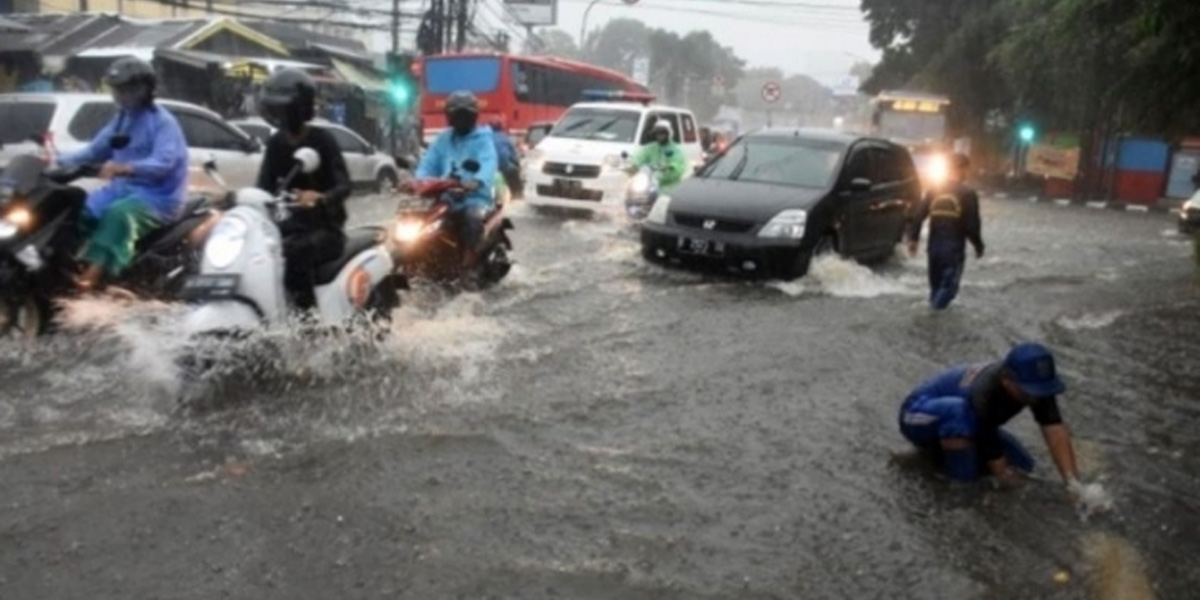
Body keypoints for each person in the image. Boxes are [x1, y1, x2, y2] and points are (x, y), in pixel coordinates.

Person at [898, 343, 1101, 508]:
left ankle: (949, 453)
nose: (1034, 399)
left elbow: (1055, 430)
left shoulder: (1035, 390)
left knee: (1024, 467)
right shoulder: (984, 392)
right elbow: (989, 443)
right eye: (1028, 393)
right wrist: (1002, 476)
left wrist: (1072, 485)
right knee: (959, 414)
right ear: (1007, 380)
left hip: (974, 424)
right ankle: (959, 488)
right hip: (918, 415)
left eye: (1040, 392)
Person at [56, 57, 189, 292]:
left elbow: (164, 162)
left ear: (145, 89)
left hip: (158, 196)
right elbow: (93, 151)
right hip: (121, 190)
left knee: (117, 215)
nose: (119, 94)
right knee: (79, 212)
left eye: (126, 88)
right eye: (116, 89)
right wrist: (55, 162)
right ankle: (65, 266)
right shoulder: (121, 119)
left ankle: (91, 279)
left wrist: (128, 168)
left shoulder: (163, 122)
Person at [255, 68, 351, 310]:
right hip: (288, 226)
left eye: (284, 108)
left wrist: (321, 198)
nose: (280, 115)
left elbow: (344, 185)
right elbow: (263, 186)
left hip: (324, 228)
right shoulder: (275, 144)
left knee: (295, 255)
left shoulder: (323, 140)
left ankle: (307, 323)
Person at [413, 91, 498, 276]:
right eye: (456, 115)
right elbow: (428, 163)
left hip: (474, 197)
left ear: (473, 117)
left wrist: (477, 181)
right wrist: (418, 182)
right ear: (449, 117)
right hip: (446, 195)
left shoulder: (483, 139)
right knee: (418, 218)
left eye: (464, 115)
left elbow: (488, 162)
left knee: (472, 218)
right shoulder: (443, 139)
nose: (460, 119)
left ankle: (469, 261)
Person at [906, 152, 984, 310]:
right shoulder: (968, 194)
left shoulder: (934, 190)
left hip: (933, 250)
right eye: (967, 170)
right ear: (963, 169)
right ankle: (931, 318)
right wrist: (978, 246)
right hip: (953, 251)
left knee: (935, 289)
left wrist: (913, 239)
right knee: (949, 290)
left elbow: (918, 216)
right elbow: (972, 225)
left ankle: (931, 322)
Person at [631, 120, 687, 195]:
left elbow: (678, 165)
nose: (659, 136)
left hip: (670, 188)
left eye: (662, 133)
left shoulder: (675, 149)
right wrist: (632, 164)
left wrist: (669, 167)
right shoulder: (651, 147)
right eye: (657, 134)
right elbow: (638, 158)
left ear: (668, 134)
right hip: (650, 185)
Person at [489, 120, 521, 201]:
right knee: (515, 173)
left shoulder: (485, 138)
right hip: (504, 166)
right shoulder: (505, 138)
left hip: (488, 167)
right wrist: (517, 164)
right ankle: (516, 195)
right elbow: (513, 155)